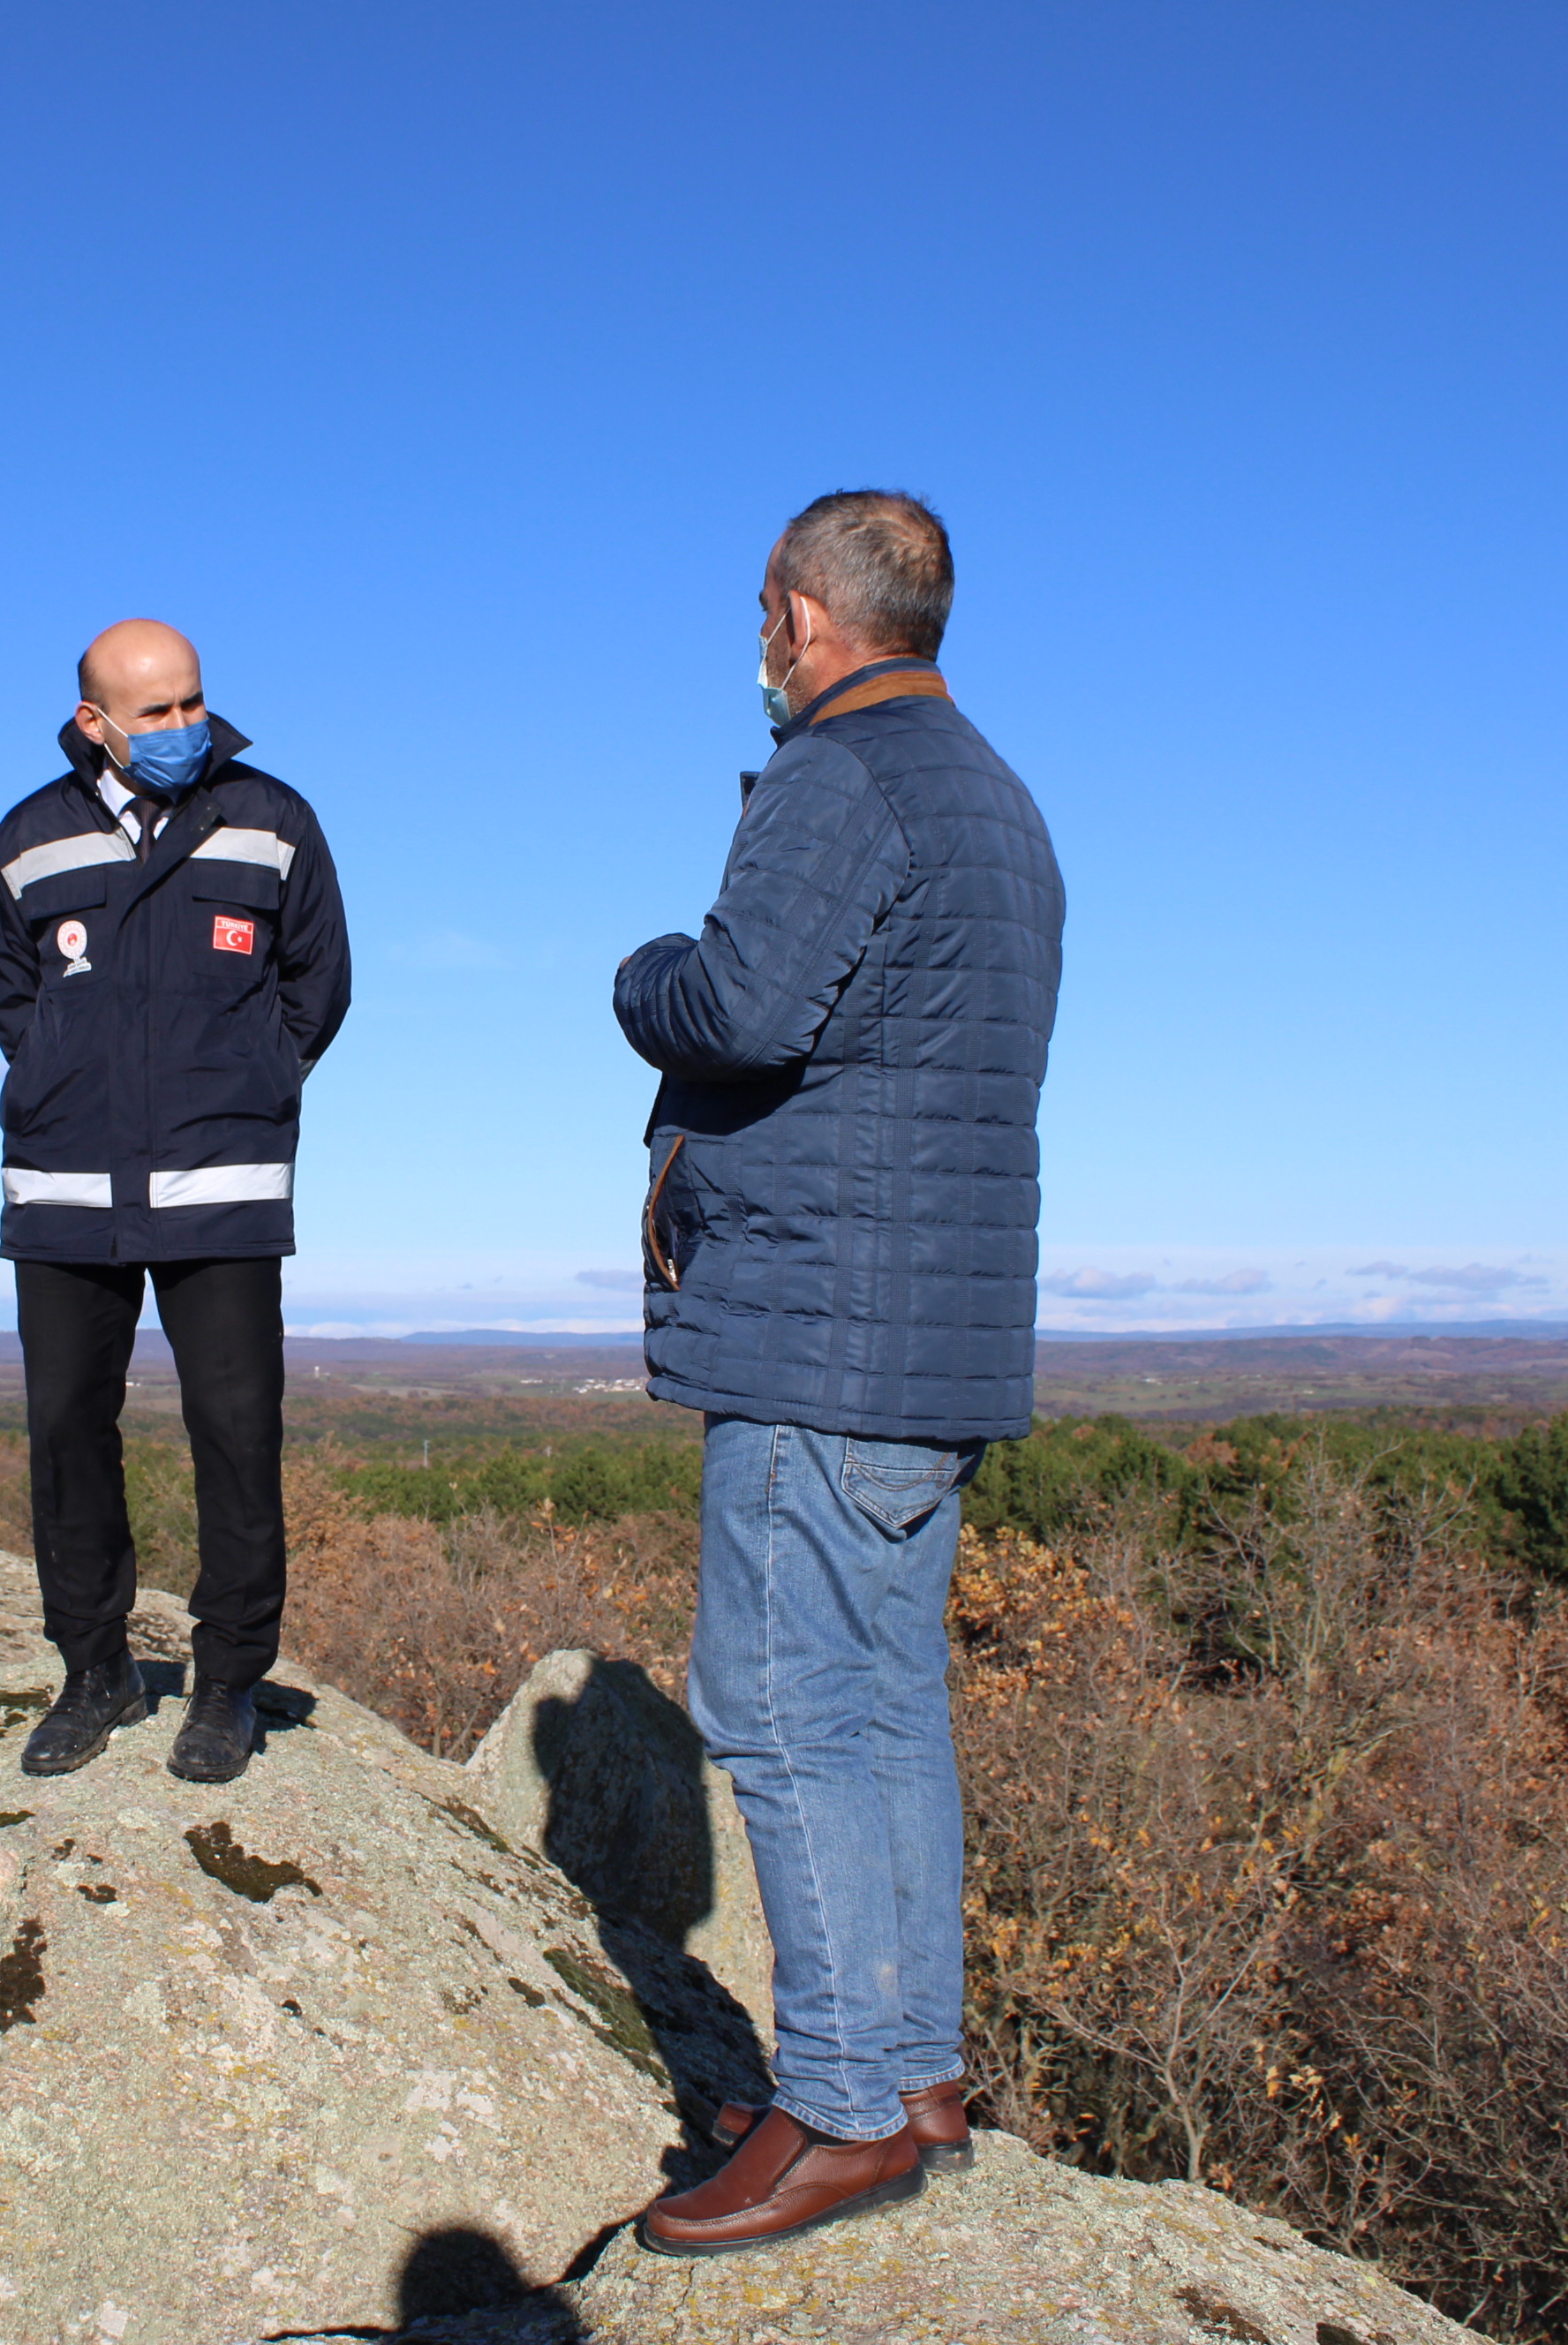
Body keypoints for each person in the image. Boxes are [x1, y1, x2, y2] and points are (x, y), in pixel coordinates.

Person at [611, 492, 1064, 2256]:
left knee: (788, 1711)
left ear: (803, 618)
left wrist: (633, 974)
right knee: (885, 1712)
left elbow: (738, 1004)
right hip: (931, 1334)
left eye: (761, 614)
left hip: (823, 1328)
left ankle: (842, 2109)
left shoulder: (838, 777)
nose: (761, 644)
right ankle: (912, 2067)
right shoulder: (996, 798)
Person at [0, 618, 351, 1784]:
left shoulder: (274, 821)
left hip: (222, 1183)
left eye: (194, 702)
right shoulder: (27, 837)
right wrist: (59, 1081)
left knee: (237, 1436)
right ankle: (93, 1673)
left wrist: (251, 1081)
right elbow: (10, 998)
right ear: (96, 720)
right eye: (158, 711)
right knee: (67, 1435)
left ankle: (229, 1683)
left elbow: (319, 985)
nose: (188, 726)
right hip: (65, 1186)